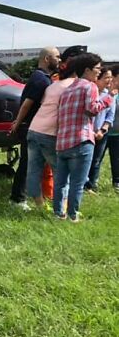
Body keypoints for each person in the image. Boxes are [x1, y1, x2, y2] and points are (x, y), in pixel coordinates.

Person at [53, 53, 114, 222]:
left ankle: (59, 214)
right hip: (81, 140)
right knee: (77, 184)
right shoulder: (90, 86)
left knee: (61, 182)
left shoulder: (67, 90)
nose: (99, 72)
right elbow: (92, 109)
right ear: (87, 70)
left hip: (63, 142)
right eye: (97, 69)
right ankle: (73, 215)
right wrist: (110, 98)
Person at [25, 52, 80, 209]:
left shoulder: (53, 85)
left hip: (34, 128)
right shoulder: (75, 86)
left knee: (34, 170)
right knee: (60, 171)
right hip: (49, 132)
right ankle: (62, 207)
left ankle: (40, 205)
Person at [9, 46, 60, 210]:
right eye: (57, 57)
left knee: (30, 164)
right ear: (47, 59)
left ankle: (25, 197)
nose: (59, 60)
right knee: (27, 165)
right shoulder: (41, 79)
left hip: (34, 127)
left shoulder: (43, 77)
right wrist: (17, 124)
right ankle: (17, 199)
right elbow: (26, 104)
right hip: (30, 128)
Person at [84, 67, 115, 193]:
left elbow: (110, 116)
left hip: (101, 133)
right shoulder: (92, 93)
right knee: (85, 160)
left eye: (110, 77)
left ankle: (91, 184)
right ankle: (83, 183)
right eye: (106, 77)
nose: (109, 80)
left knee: (96, 160)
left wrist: (102, 130)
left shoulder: (109, 95)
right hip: (87, 132)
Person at [105, 74, 119, 193]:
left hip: (117, 134)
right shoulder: (105, 93)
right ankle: (90, 183)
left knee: (117, 159)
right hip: (103, 132)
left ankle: (117, 182)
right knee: (96, 160)